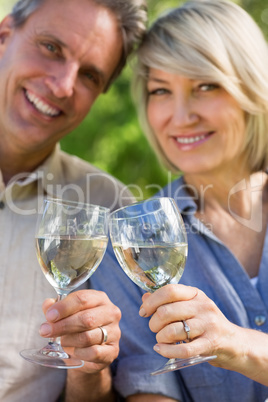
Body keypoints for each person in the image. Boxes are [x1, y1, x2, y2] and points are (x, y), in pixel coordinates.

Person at [92, 0, 268, 400]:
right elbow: (149, 391)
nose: (181, 115)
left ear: (251, 88)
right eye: (161, 91)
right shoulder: (127, 245)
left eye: (205, 86)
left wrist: (237, 344)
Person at [0, 0, 147, 401]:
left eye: (89, 76)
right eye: (51, 48)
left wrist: (89, 366)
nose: (63, 85)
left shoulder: (111, 207)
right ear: (3, 36)